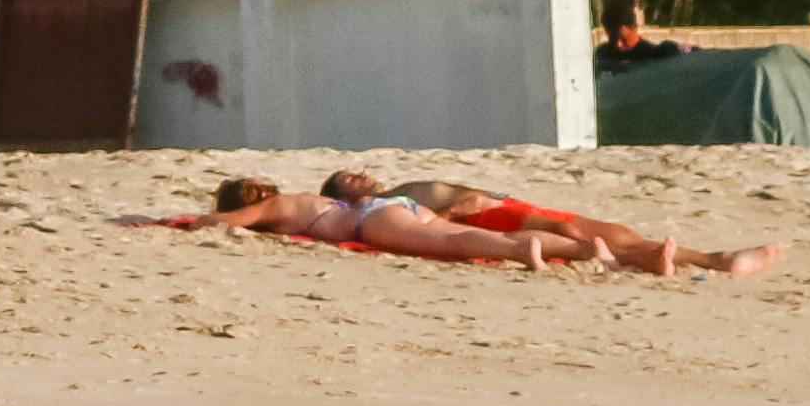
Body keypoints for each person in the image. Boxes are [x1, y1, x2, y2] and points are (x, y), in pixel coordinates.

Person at [326, 168, 782, 279]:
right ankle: (714, 259)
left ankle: (706, 259)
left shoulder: (395, 192)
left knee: (599, 231)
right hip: (490, 216)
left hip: (503, 205)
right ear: (341, 196)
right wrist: (457, 209)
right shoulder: (380, 208)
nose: (359, 175)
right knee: (576, 234)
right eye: (348, 179)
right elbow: (435, 226)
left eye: (356, 171)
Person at [171, 175, 563, 269]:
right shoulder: (304, 198)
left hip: (371, 220)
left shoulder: (276, 208)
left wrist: (197, 221)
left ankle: (520, 252)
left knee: (453, 244)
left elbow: (226, 221)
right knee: (466, 232)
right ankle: (581, 249)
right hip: (393, 206)